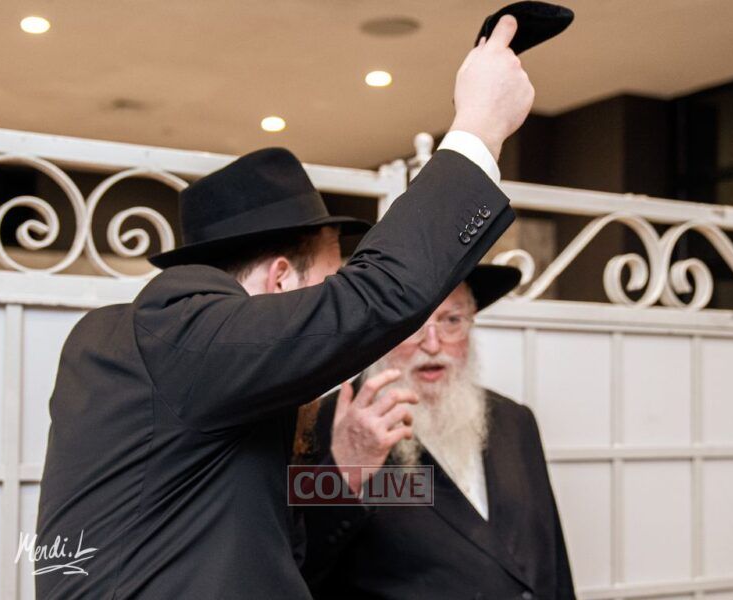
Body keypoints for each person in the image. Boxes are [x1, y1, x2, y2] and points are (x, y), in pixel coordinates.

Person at [35, 15, 534, 600]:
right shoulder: (172, 332)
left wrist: (342, 468)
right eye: (326, 283)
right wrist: (478, 131)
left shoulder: (215, 380)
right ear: (280, 279)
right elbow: (373, 297)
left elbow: (259, 543)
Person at [298, 264, 576, 600]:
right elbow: (296, 566)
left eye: (451, 320)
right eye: (413, 323)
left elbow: (553, 559)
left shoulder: (515, 420)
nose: (432, 344)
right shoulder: (326, 426)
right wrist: (345, 472)